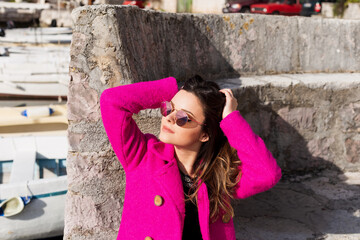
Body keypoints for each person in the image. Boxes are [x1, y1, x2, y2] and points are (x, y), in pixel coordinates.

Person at [100, 75, 282, 240]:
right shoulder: (142, 156)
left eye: (183, 117)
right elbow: (112, 101)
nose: (170, 118)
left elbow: (267, 173)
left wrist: (231, 119)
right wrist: (174, 90)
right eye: (168, 108)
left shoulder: (217, 176)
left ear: (204, 134)